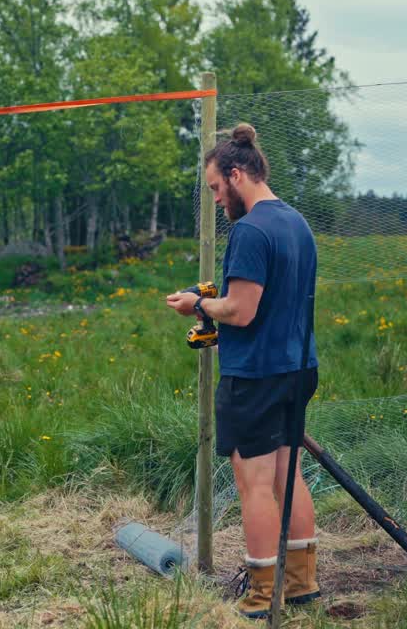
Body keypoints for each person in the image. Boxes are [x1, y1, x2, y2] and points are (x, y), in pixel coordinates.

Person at [165, 122, 319, 619]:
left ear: (236, 174)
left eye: (215, 188)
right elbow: (272, 301)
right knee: (287, 473)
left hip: (254, 375)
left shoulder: (250, 230)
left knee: (254, 483)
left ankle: (259, 593)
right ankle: (300, 583)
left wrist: (199, 306)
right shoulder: (297, 223)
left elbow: (244, 311)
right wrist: (220, 300)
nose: (215, 199)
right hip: (298, 367)